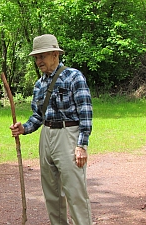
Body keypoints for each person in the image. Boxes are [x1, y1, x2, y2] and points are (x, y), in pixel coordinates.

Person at [10, 34, 93, 225]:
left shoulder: (74, 77)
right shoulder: (39, 84)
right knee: (52, 193)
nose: (38, 61)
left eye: (42, 56)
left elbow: (85, 113)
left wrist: (81, 145)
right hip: (46, 136)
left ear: (55, 54)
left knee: (75, 191)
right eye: (36, 58)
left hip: (68, 135)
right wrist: (24, 128)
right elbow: (38, 116)